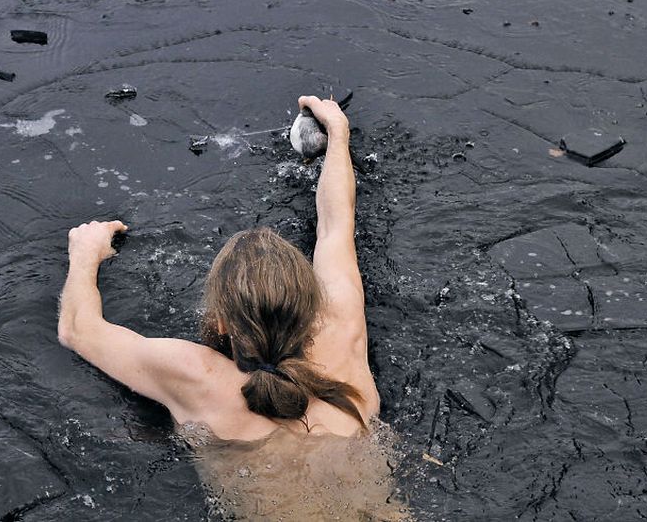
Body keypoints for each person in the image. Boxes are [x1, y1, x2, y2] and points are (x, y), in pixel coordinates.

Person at [58, 96, 409, 520]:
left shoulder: (198, 377)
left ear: (222, 321)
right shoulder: (343, 335)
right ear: (312, 305)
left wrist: (85, 253)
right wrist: (338, 135)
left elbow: (78, 329)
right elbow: (337, 224)